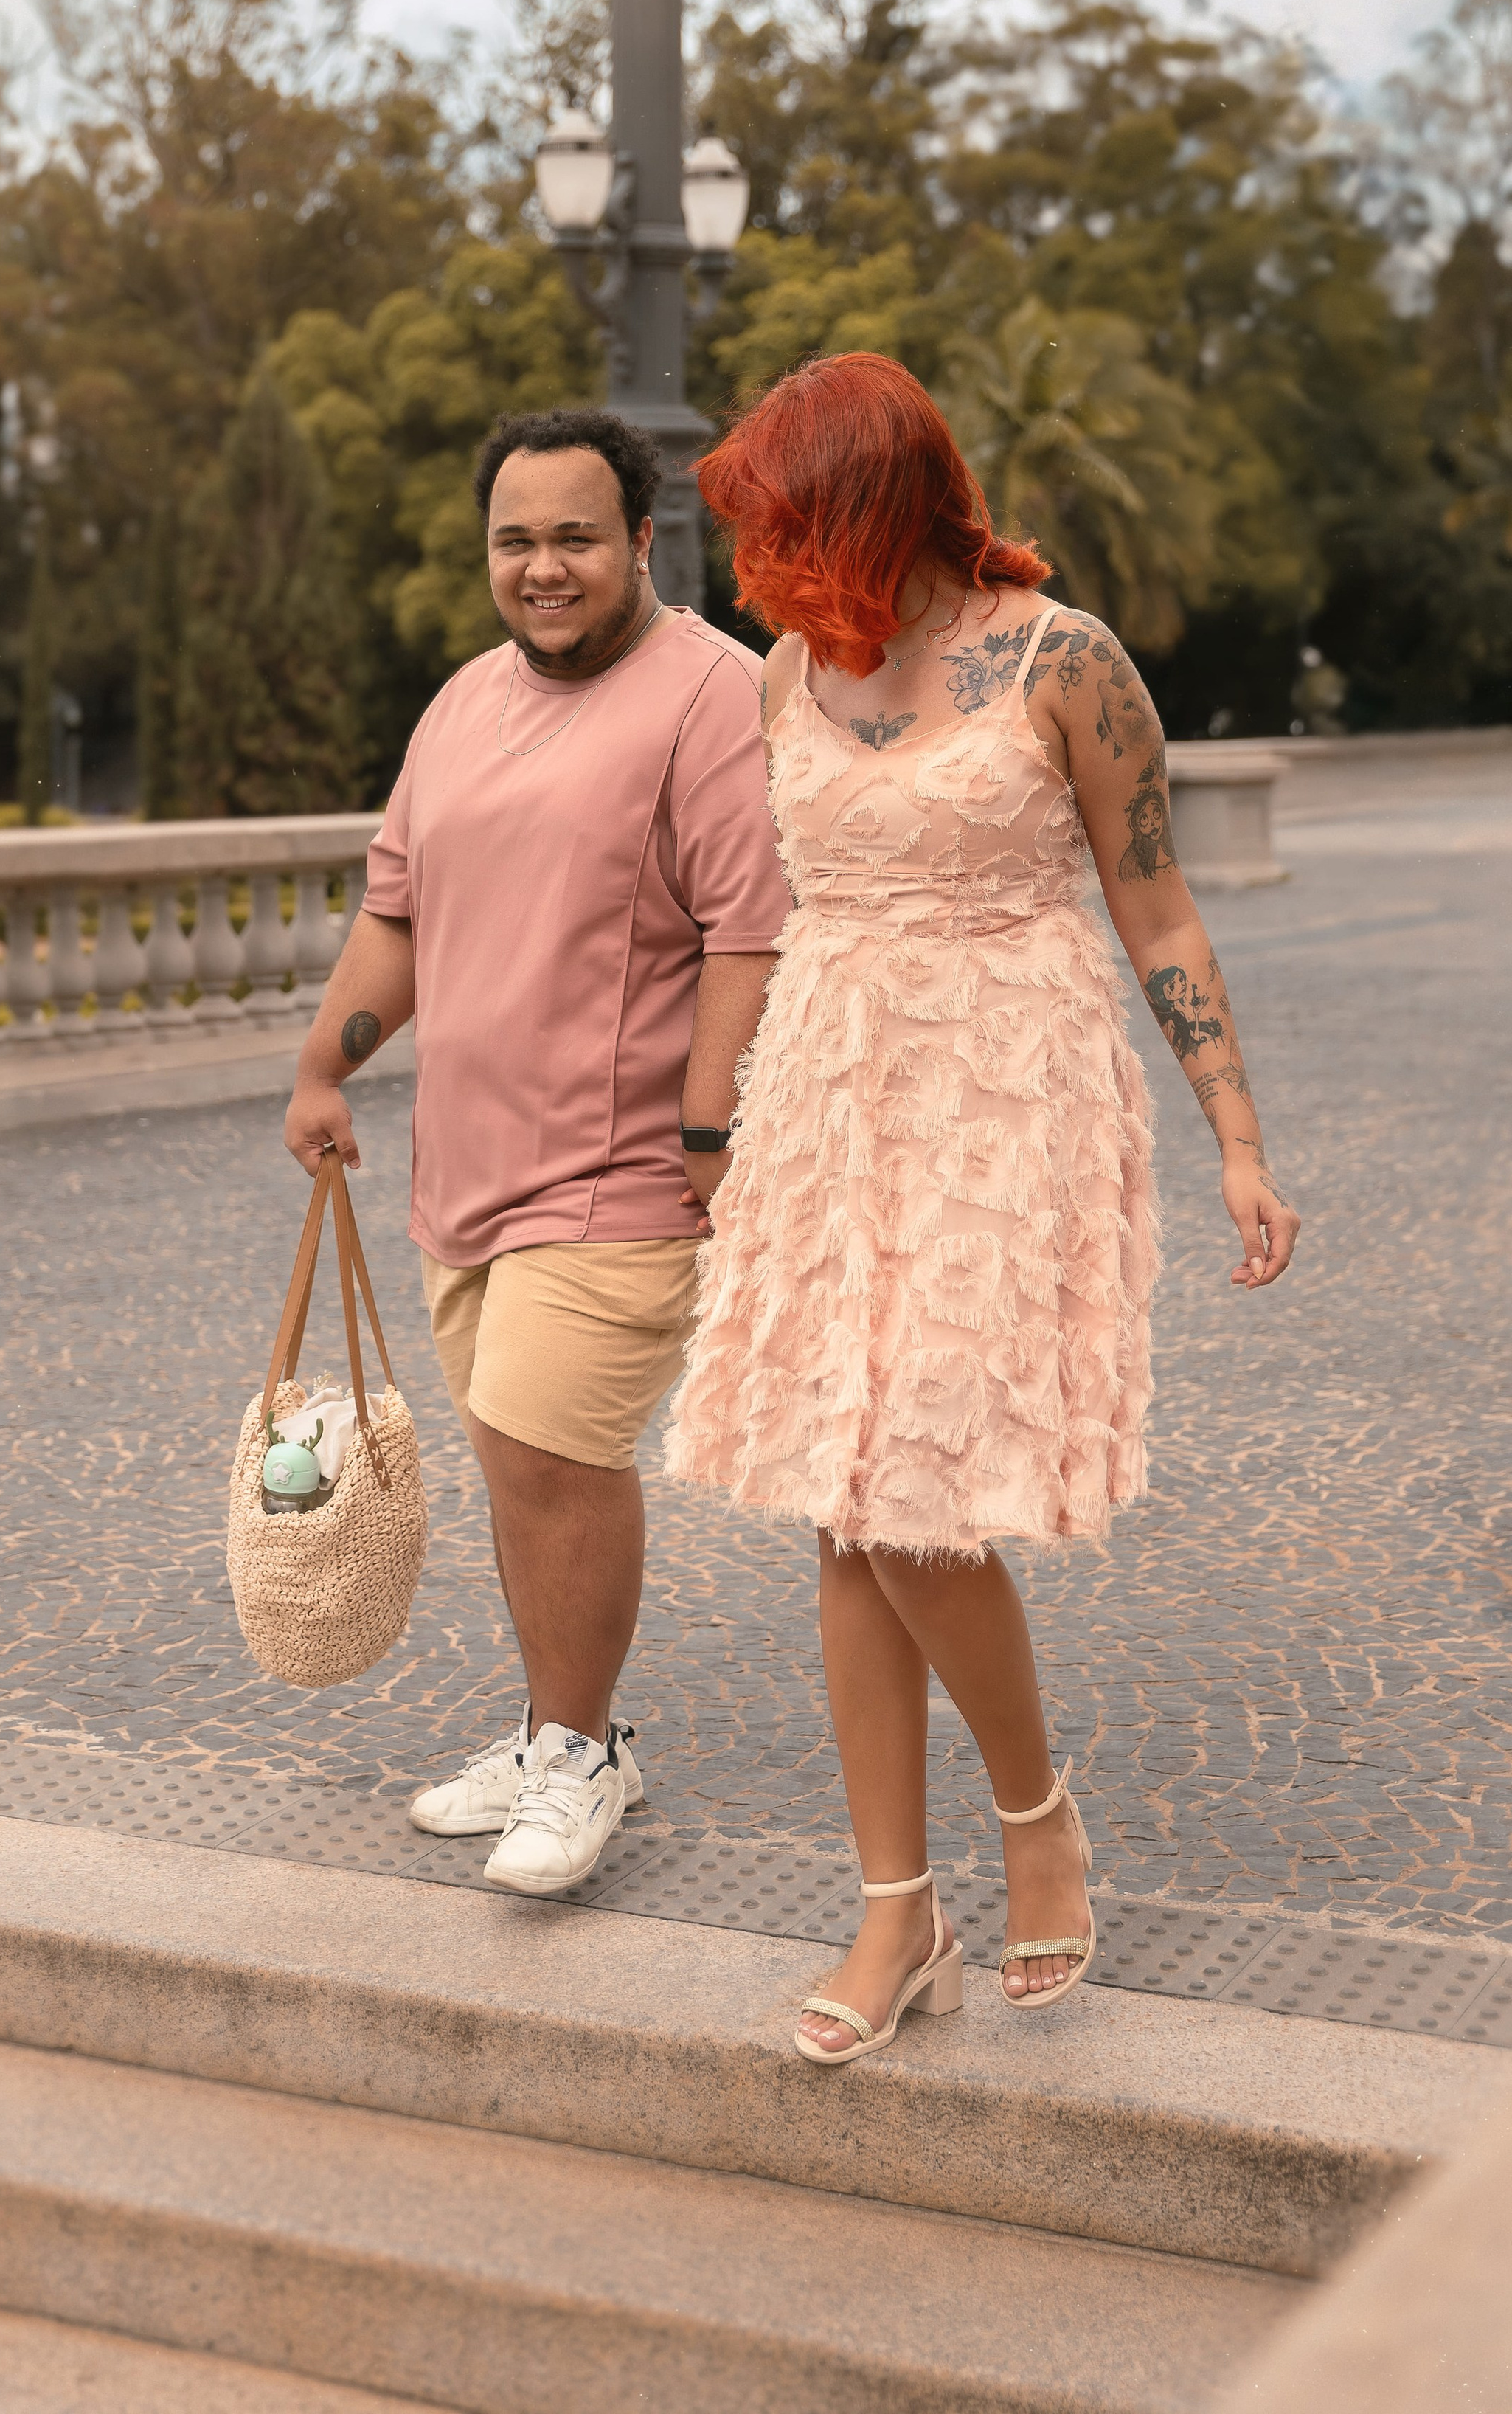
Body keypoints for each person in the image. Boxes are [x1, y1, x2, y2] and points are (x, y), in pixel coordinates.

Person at [664, 353, 1300, 2060]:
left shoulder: (1062, 660)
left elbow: (1155, 908)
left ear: (879, 497)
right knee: (839, 1493)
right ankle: (895, 1908)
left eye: (793, 513)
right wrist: (711, 1119)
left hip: (1004, 1093)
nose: (769, 551)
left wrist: (1235, 1136)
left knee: (918, 1492)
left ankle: (1035, 1817)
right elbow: (770, 913)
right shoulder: (786, 669)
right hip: (830, 1093)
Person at [284, 406, 788, 1895]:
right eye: (515, 540)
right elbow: (399, 911)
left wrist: (709, 1133)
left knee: (553, 1452)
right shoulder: (459, 704)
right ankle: (556, 1731)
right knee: (515, 1465)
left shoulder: (713, 695)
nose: (543, 566)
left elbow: (749, 934)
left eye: (575, 536)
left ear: (642, 538)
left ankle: (575, 1756)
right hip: (464, 1171)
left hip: (620, 1169)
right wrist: (325, 1062)